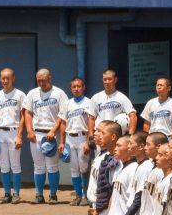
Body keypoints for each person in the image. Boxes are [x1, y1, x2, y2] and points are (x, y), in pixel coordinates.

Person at [23, 68, 67, 204]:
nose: (41, 82)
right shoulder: (32, 93)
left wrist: (54, 131)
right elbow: (28, 112)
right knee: (38, 166)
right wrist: (29, 130)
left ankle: (53, 195)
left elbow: (62, 115)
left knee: (52, 166)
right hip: (36, 133)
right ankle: (39, 195)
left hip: (51, 134)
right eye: (38, 80)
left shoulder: (59, 93)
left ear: (50, 78)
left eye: (43, 79)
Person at [0, 67, 25, 204]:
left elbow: (23, 117)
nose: (5, 81)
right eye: (3, 78)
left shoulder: (20, 95)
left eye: (7, 78)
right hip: (0, 132)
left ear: (13, 78)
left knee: (15, 164)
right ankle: (6, 193)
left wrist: (20, 136)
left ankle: (16, 194)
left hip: (14, 131)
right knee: (3, 165)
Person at [58, 76, 93, 205]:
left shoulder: (89, 102)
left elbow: (91, 123)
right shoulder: (67, 104)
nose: (76, 89)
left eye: (79, 86)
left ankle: (85, 196)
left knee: (84, 169)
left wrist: (89, 140)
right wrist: (61, 142)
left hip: (83, 137)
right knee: (74, 169)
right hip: (70, 138)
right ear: (71, 88)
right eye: (74, 87)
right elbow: (62, 123)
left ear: (83, 88)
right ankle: (78, 196)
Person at [90, 69, 136, 135]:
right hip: (100, 134)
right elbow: (91, 118)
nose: (107, 82)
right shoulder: (95, 97)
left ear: (115, 80)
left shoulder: (122, 97)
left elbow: (133, 116)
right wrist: (91, 136)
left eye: (109, 79)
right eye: (105, 79)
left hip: (115, 134)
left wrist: (130, 135)